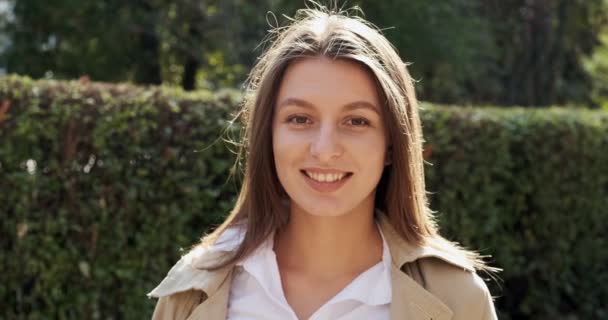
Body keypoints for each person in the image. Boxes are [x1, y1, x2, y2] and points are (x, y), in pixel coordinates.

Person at [148, 4, 499, 320]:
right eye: (300, 119)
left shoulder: (457, 300)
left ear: (392, 143)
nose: (325, 149)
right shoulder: (192, 293)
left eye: (356, 121)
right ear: (268, 135)